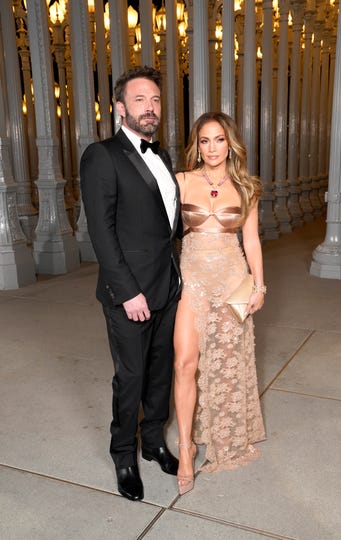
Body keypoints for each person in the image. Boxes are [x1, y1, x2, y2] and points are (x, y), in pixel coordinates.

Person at [80, 66, 182, 502]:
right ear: (120, 108)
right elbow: (101, 232)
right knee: (132, 376)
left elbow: (166, 226)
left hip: (167, 286)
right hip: (129, 294)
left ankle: (154, 441)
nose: (150, 108)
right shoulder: (101, 156)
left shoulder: (163, 156)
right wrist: (127, 292)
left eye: (156, 100)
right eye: (140, 100)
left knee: (161, 372)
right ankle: (123, 453)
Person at [174, 112, 266, 495]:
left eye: (220, 140)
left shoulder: (247, 187)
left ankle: (224, 432)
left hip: (232, 282)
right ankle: (185, 446)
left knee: (227, 363)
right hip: (192, 282)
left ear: (231, 144)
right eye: (206, 140)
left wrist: (259, 286)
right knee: (184, 362)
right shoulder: (180, 181)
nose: (213, 148)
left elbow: (252, 240)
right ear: (198, 144)